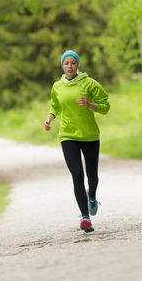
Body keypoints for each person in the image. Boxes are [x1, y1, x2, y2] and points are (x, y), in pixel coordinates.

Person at [44, 50, 110, 233]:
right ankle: (85, 217)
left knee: (92, 177)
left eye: (73, 63)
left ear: (78, 65)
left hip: (89, 135)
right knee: (77, 175)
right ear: (62, 66)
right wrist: (49, 119)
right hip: (68, 135)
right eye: (66, 63)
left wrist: (90, 105)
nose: (70, 66)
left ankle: (92, 196)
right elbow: (55, 106)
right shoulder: (57, 86)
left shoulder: (89, 84)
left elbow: (106, 105)